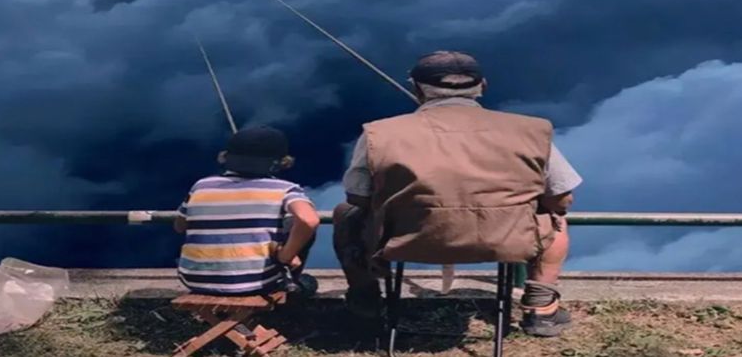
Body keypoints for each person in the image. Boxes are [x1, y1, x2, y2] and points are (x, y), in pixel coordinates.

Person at [333, 51, 582, 337]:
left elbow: (357, 198)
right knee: (556, 221)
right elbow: (561, 198)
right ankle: (541, 308)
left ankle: (365, 301)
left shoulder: (378, 134)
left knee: (345, 214)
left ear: (416, 88)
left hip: (402, 242)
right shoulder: (533, 131)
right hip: (509, 241)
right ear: (483, 86)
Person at [175, 125, 321, 296]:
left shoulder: (201, 186)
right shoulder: (286, 189)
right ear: (280, 162)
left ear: (226, 157)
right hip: (255, 284)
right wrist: (285, 256)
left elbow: (180, 226)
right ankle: (291, 281)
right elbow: (308, 220)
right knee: (299, 232)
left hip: (194, 280)